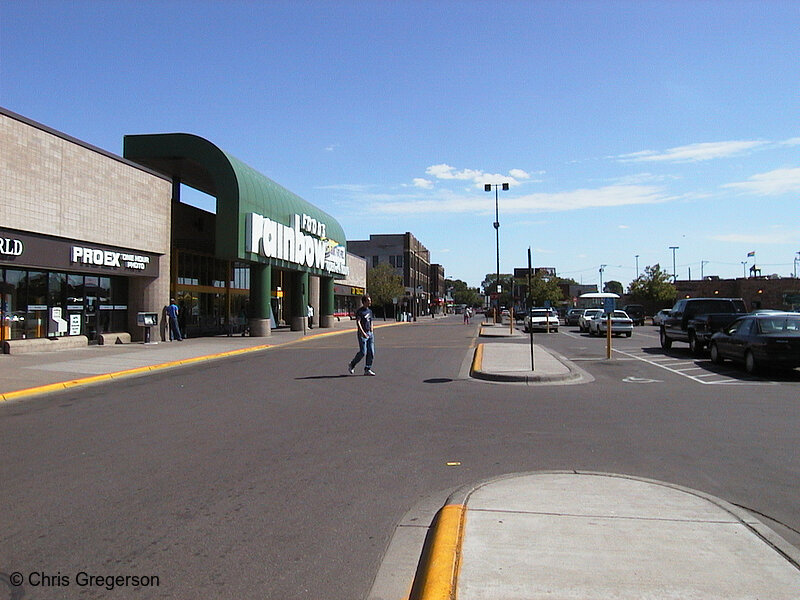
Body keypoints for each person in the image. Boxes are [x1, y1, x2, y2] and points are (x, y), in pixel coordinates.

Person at [348, 295, 375, 376]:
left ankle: (367, 368)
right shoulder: (360, 311)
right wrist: (363, 333)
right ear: (364, 302)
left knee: (371, 352)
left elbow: (370, 321)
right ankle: (352, 364)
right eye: (368, 301)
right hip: (362, 334)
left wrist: (371, 330)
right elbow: (358, 323)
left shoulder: (369, 311)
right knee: (363, 352)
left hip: (370, 334)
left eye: (370, 300)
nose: (370, 302)